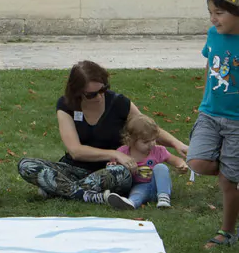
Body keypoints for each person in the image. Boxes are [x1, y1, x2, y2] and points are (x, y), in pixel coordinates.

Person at [18, 60, 188, 203]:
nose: (99, 97)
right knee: (26, 166)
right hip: (74, 168)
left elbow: (148, 130)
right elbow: (76, 151)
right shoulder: (66, 106)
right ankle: (85, 194)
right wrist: (114, 152)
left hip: (111, 171)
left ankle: (58, 188)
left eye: (103, 90)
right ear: (77, 91)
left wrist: (176, 143)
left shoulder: (119, 103)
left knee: (121, 174)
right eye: (92, 94)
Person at [187, 0, 239, 250]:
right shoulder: (212, 34)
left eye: (219, 13)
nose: (213, 19)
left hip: (237, 121)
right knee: (196, 162)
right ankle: (231, 166)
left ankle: (227, 232)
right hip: (210, 113)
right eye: (210, 13)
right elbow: (210, 65)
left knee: (228, 181)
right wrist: (206, 97)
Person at [106, 113, 189, 211]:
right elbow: (114, 168)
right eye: (146, 142)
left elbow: (175, 159)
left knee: (161, 167)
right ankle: (130, 203)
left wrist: (181, 164)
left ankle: (164, 198)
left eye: (153, 140)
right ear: (131, 140)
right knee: (138, 193)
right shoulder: (123, 152)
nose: (151, 144)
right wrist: (113, 166)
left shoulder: (158, 151)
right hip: (138, 186)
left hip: (158, 185)